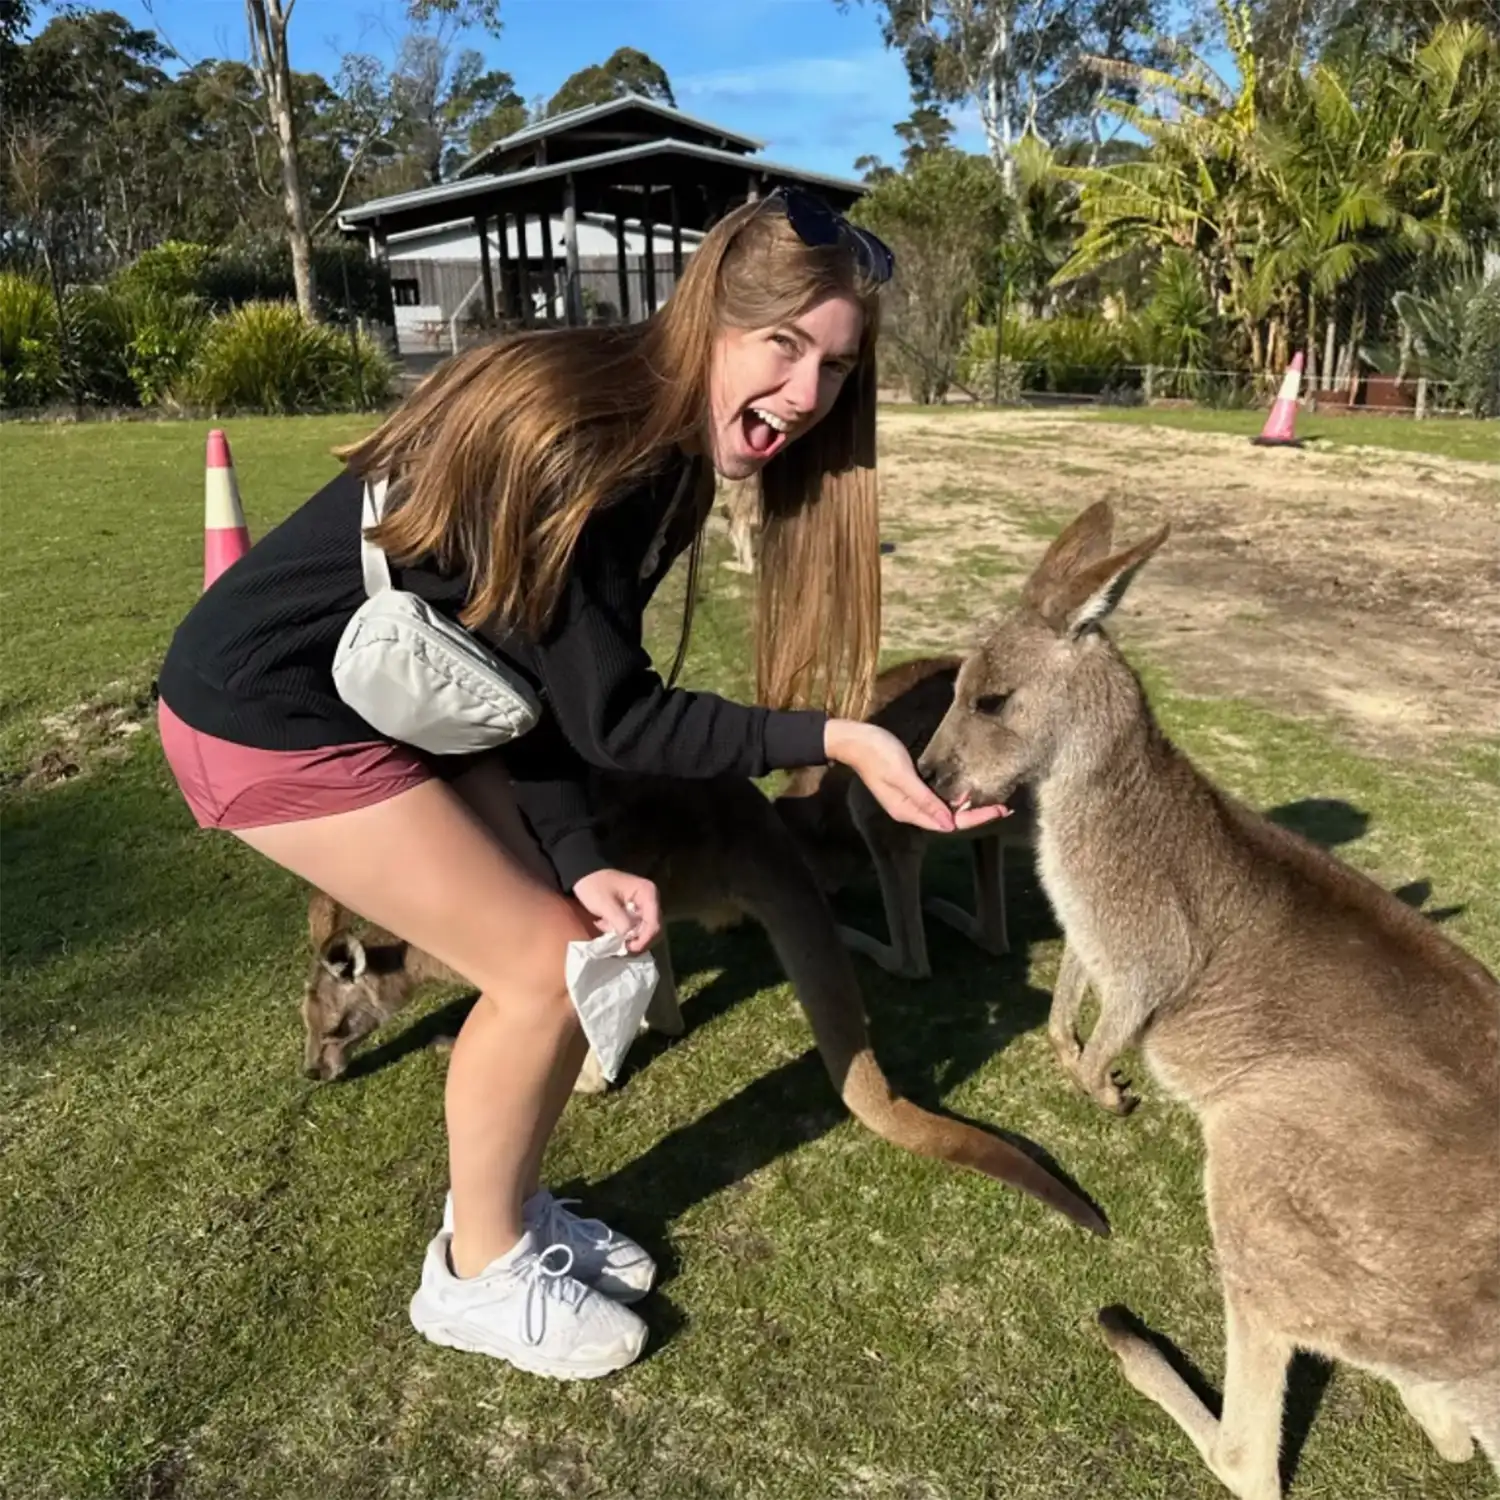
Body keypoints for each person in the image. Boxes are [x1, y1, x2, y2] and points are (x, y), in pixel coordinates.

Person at [154, 187, 997, 1381]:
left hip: (389, 701)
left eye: (836, 368)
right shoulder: (598, 441)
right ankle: (477, 1276)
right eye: (784, 346)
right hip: (261, 713)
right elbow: (620, 715)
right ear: (712, 315)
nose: (808, 397)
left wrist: (579, 852)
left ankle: (501, 1211)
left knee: (572, 938)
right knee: (540, 973)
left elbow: (531, 675)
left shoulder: (660, 447)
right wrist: (841, 738)